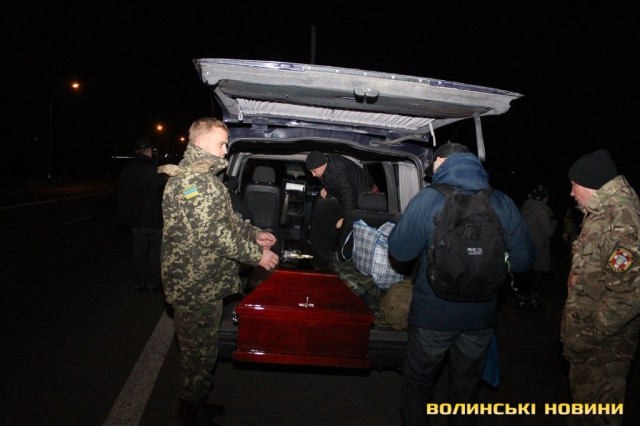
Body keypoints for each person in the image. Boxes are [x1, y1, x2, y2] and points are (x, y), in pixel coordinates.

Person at [388, 142, 535, 426]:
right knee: (466, 389)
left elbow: (400, 252)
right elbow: (523, 261)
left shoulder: (428, 199)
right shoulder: (501, 202)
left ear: (441, 161)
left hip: (432, 316)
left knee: (418, 386)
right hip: (480, 317)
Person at [159, 117, 280, 426]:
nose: (226, 150)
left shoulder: (204, 179)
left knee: (203, 349)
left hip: (203, 281)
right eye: (222, 144)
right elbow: (213, 235)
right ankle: (191, 410)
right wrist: (257, 255)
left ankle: (196, 401)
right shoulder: (195, 182)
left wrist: (254, 233)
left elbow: (225, 220)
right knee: (197, 353)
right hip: (194, 284)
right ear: (201, 142)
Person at [561, 149, 640, 426]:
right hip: (593, 346)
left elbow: (629, 295)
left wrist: (589, 334)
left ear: (590, 184)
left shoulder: (620, 221)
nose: (572, 193)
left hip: (605, 350)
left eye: (574, 185)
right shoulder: (602, 213)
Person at [305, 151, 378, 263]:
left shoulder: (338, 171)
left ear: (322, 164)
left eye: (314, 171)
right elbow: (331, 180)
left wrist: (347, 217)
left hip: (368, 197)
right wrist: (327, 189)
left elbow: (348, 193)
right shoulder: (327, 164)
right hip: (358, 195)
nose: (313, 175)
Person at [117, 138, 166, 292]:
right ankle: (153, 282)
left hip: (134, 219)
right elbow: (162, 190)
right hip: (152, 218)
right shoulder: (153, 168)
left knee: (139, 251)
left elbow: (122, 194)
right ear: (148, 151)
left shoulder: (127, 169)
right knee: (154, 252)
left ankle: (139, 282)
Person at [517, 184, 557, 309]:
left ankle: (522, 298)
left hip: (525, 247)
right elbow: (549, 231)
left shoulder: (525, 208)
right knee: (535, 275)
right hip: (538, 248)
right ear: (544, 197)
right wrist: (554, 224)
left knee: (526, 274)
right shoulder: (542, 211)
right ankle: (533, 299)